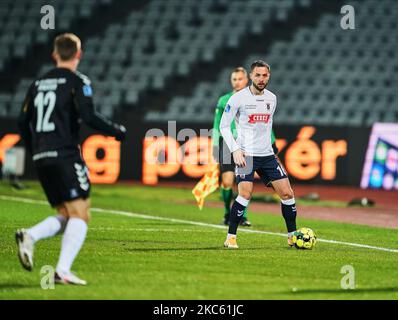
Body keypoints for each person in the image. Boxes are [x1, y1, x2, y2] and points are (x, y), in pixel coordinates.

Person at [16, 33, 127, 285]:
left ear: (54, 54)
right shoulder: (78, 81)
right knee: (81, 213)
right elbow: (88, 116)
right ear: (79, 54)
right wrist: (116, 131)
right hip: (65, 154)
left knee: (68, 213)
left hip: (42, 156)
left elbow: (22, 122)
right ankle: (61, 270)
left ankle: (31, 237)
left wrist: (34, 147)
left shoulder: (36, 84)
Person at [220, 60, 297, 249]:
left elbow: (265, 128)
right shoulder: (238, 98)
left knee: (288, 193)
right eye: (258, 75)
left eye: (265, 75)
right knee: (245, 194)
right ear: (251, 76)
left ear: (269, 76)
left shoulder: (272, 98)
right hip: (246, 155)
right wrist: (236, 150)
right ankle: (231, 237)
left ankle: (292, 236)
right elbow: (223, 126)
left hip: (267, 155)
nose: (261, 79)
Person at [212, 67, 279, 226]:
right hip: (228, 143)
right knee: (227, 181)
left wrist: (272, 141)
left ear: (246, 79)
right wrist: (215, 145)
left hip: (248, 143)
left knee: (245, 182)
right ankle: (228, 212)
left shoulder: (255, 99)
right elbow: (218, 124)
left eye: (240, 79)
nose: (237, 82)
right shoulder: (224, 100)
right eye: (234, 79)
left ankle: (243, 216)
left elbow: (264, 124)